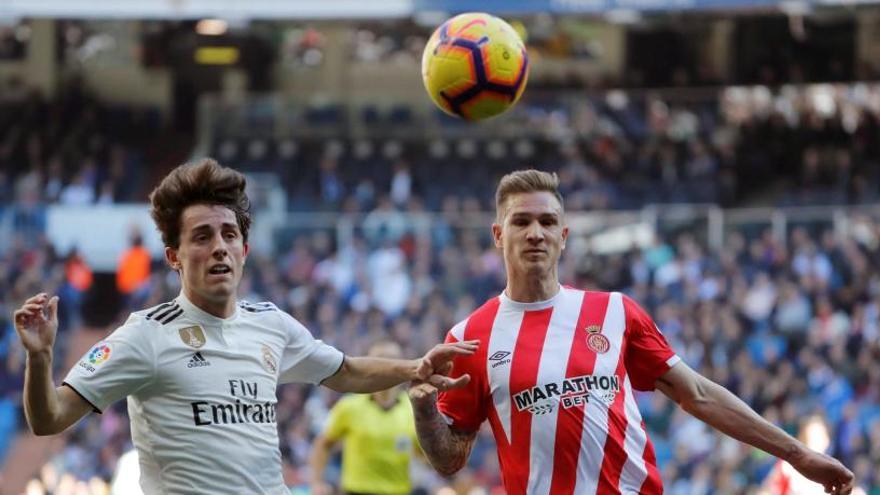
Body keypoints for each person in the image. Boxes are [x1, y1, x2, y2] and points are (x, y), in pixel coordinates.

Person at [13, 158, 477, 494]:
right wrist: (39, 357)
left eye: (228, 235)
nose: (219, 247)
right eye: (202, 236)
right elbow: (48, 418)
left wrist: (414, 367)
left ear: (244, 251)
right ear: (174, 257)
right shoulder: (145, 334)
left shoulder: (270, 323)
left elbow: (347, 371)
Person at [408, 169, 855, 495]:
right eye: (521, 222)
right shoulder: (470, 336)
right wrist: (426, 412)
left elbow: (697, 393)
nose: (535, 234)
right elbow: (450, 460)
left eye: (546, 223)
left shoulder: (614, 312)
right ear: (496, 235)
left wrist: (797, 454)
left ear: (564, 236)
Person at [310, 340, 419, 495]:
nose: (387, 365)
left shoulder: (413, 409)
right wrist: (317, 482)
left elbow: (426, 455)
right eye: (380, 359)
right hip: (356, 491)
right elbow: (322, 444)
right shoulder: (349, 406)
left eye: (393, 358)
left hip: (399, 491)